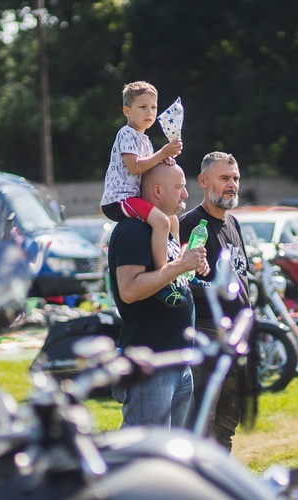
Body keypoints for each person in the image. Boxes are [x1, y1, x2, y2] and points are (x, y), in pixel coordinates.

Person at [108, 161, 208, 429]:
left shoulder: (164, 228)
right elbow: (129, 290)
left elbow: (170, 279)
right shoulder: (132, 230)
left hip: (177, 358)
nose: (186, 194)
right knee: (144, 454)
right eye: (179, 187)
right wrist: (180, 265)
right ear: (157, 191)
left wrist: (191, 267)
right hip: (149, 361)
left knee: (171, 454)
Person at [179, 151, 251, 452]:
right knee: (201, 426)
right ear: (204, 181)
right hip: (206, 336)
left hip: (236, 338)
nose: (231, 185)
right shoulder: (189, 225)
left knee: (226, 425)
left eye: (234, 178)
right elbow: (179, 281)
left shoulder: (233, 223)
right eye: (224, 178)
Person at [100, 81, 185, 308]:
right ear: (127, 111)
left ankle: (176, 263)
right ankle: (164, 276)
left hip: (134, 198)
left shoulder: (144, 139)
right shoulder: (127, 134)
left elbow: (149, 169)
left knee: (172, 220)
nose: (150, 113)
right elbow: (136, 167)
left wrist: (165, 159)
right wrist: (162, 152)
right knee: (161, 222)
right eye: (142, 107)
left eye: (154, 108)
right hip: (121, 199)